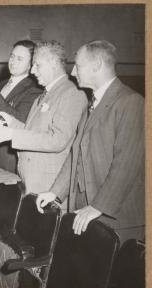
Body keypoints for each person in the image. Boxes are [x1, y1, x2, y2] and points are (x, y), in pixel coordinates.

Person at [36, 40, 144, 243]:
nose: (73, 72)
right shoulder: (92, 104)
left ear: (97, 66)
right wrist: (54, 192)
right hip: (88, 210)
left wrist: (98, 206)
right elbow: (76, 155)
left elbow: (127, 163)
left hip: (118, 216)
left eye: (78, 65)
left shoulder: (131, 102)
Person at [0, 40, 87, 194]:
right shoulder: (44, 95)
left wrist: (12, 134)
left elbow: (57, 140)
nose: (33, 71)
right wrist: (11, 122)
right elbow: (31, 130)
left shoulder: (71, 94)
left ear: (53, 63)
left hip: (48, 185)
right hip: (30, 179)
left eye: (37, 65)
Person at [0, 40, 43, 173]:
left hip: (6, 158)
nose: (13, 61)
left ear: (31, 64)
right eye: (12, 56)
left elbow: (20, 119)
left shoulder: (34, 90)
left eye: (19, 59)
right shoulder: (1, 84)